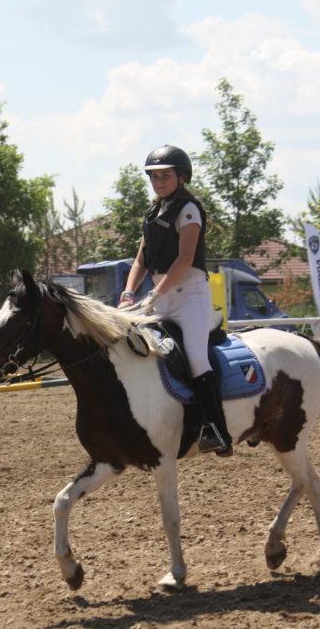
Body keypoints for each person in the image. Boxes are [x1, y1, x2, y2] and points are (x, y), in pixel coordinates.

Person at [119, 145, 232, 456]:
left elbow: (184, 260)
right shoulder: (153, 213)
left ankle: (217, 430)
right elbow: (141, 261)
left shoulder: (188, 210)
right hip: (159, 297)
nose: (158, 181)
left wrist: (154, 295)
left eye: (165, 176)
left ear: (182, 177)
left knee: (195, 358)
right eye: (154, 177)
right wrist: (128, 293)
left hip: (189, 295)